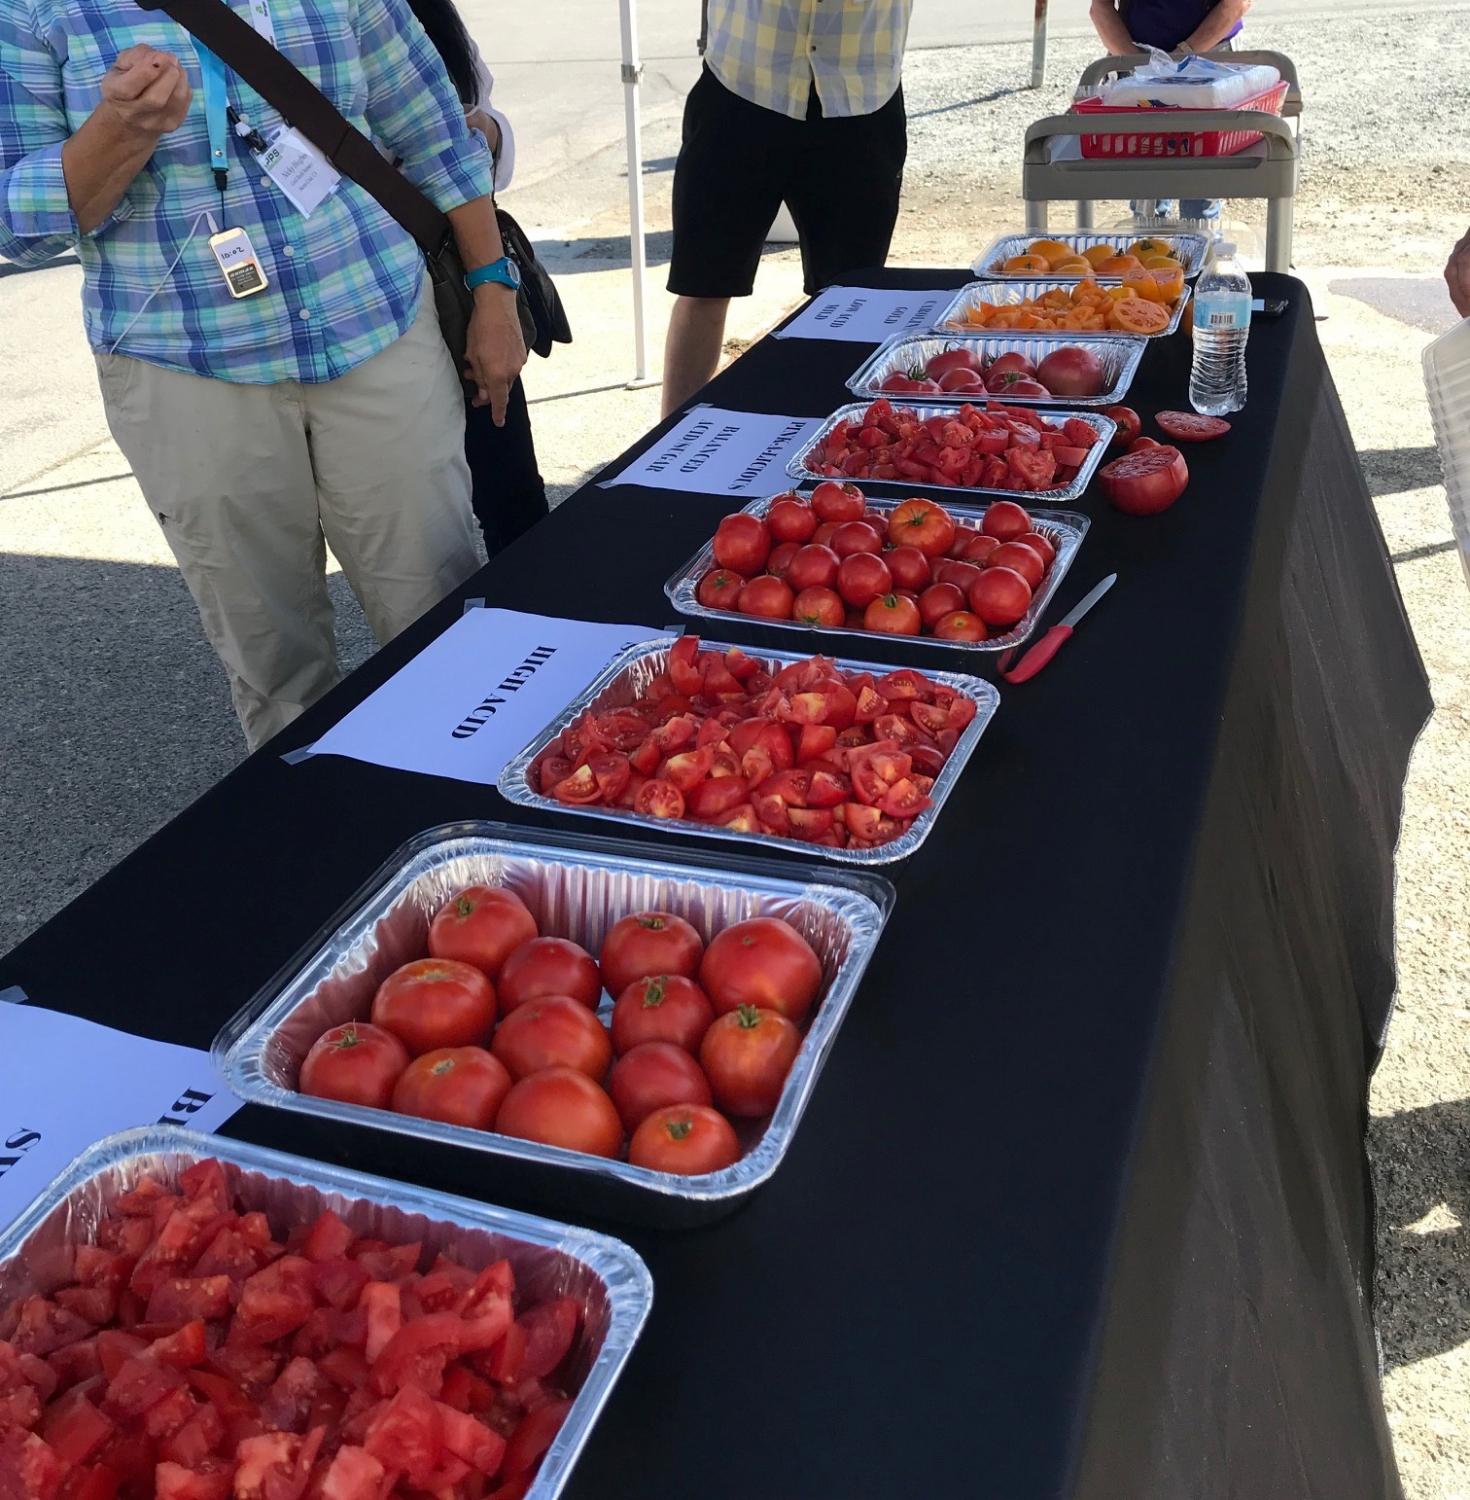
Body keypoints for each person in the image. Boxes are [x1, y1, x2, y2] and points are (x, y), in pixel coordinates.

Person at [0, 0, 526, 750]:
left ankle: (465, 818)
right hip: (186, 364)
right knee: (275, 666)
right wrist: (118, 133)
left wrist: (492, 290)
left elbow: (434, 132)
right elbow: (17, 224)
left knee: (439, 616)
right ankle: (316, 839)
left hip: (374, 321)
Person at [661, 0, 912, 417]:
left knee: (852, 298)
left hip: (862, 89)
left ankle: (833, 447)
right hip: (742, 79)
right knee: (702, 284)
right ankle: (664, 454)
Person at [402, 0, 550, 558]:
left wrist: (485, 130)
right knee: (417, 525)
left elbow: (490, 140)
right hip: (376, 292)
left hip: (460, 279)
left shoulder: (430, 14)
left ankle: (534, 620)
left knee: (509, 487)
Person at [1087, 0, 1249, 225]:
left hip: (1209, 57)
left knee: (1201, 183)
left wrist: (1181, 57)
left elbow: (1236, 3)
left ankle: (1200, 244)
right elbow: (1100, 8)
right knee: (1147, 184)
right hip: (1137, 56)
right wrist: (1139, 67)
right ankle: (1150, 245)